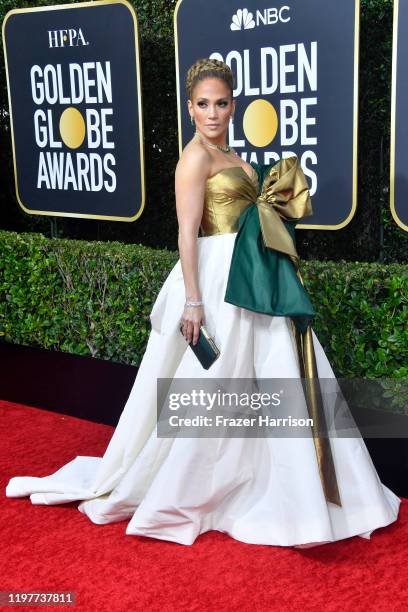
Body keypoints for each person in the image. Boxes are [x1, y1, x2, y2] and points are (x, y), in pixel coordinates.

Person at [6, 58, 400, 547]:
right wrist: (194, 302)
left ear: (233, 105)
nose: (212, 113)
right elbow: (187, 234)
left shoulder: (232, 154)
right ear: (189, 108)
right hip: (215, 282)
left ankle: (275, 483)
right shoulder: (194, 158)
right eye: (202, 105)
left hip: (253, 278)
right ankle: (201, 487)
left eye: (221, 103)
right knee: (215, 386)